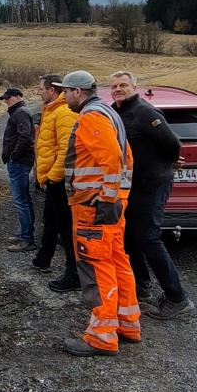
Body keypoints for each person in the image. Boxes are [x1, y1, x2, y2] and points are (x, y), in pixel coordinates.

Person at [60, 70, 141, 357]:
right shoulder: (109, 113)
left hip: (94, 206)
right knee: (117, 260)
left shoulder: (92, 116)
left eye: (66, 91)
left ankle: (102, 337)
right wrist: (117, 198)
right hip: (109, 204)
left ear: (78, 91)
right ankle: (127, 324)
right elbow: (126, 157)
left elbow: (112, 159)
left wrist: (106, 199)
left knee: (97, 266)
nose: (64, 96)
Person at [109, 71, 194, 320]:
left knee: (149, 238)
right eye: (114, 86)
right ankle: (141, 286)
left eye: (123, 84)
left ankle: (177, 298)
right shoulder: (117, 111)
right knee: (131, 235)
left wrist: (167, 163)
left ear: (134, 86)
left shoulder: (145, 112)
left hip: (152, 184)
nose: (118, 89)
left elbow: (172, 142)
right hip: (133, 185)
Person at [32, 74, 80, 291]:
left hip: (59, 181)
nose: (39, 92)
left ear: (52, 90)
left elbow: (66, 150)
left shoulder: (64, 113)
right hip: (51, 179)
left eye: (41, 88)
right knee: (50, 221)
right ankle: (43, 258)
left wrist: (53, 177)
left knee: (66, 228)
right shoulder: (51, 109)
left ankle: (74, 275)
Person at [0, 86, 36, 252]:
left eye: (8, 98)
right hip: (19, 161)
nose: (6, 101)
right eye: (6, 98)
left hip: (19, 162)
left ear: (18, 97)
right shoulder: (18, 112)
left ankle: (27, 239)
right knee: (24, 199)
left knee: (21, 201)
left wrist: (13, 156)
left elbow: (25, 137)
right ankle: (24, 233)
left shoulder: (20, 113)